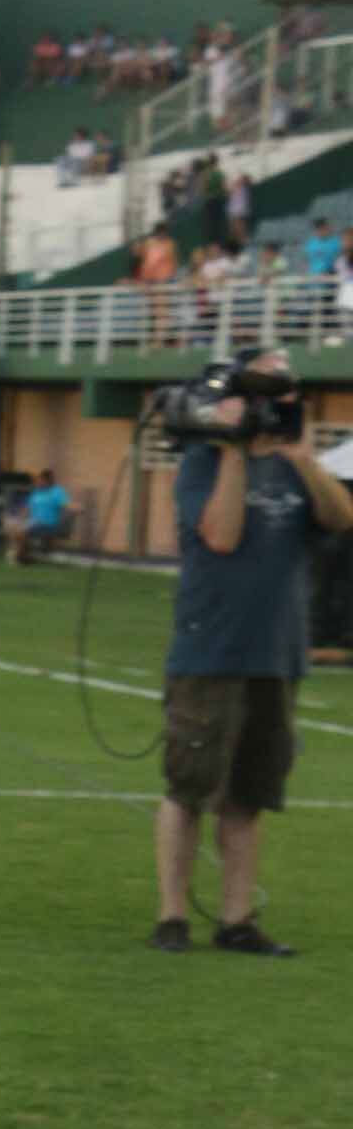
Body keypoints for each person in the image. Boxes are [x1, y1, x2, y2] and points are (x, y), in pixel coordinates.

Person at [152, 346, 353, 955]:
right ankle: (173, 916)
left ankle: (237, 920)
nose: (275, 406)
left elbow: (341, 518)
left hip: (276, 654)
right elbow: (221, 534)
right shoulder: (201, 462)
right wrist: (236, 451)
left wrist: (299, 456)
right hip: (210, 650)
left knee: (249, 798)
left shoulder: (296, 467)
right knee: (189, 790)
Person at [6, 467, 75, 565]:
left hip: (48, 524)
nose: (38, 482)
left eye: (40, 480)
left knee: (22, 531)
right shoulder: (37, 492)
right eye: (38, 480)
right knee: (13, 526)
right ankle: (23, 555)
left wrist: (76, 507)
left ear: (47, 480)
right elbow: (27, 508)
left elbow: (66, 504)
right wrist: (19, 519)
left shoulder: (57, 491)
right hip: (34, 522)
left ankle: (21, 557)